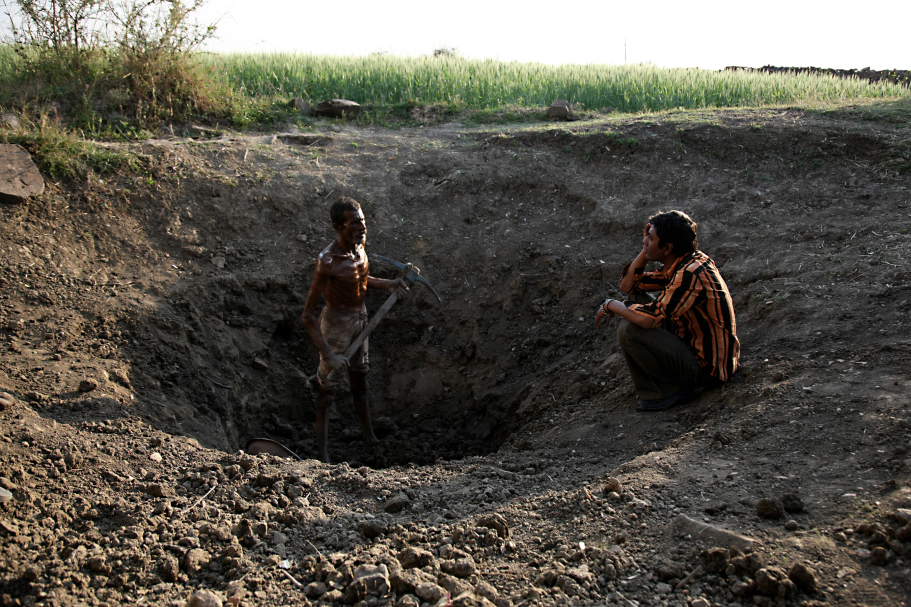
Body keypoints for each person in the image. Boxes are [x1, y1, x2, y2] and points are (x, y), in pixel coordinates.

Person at [595, 210, 739, 412]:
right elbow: (629, 286)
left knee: (629, 329)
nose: (645, 241)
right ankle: (667, 384)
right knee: (635, 300)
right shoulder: (685, 262)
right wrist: (647, 249)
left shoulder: (689, 274)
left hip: (707, 370)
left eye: (650, 238)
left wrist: (611, 305)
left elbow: (647, 321)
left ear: (668, 247)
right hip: (692, 344)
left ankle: (665, 391)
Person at [302, 197, 407, 463]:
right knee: (327, 392)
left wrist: (390, 284)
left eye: (363, 222)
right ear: (338, 226)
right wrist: (328, 354)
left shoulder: (360, 249)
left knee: (361, 383)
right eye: (355, 224)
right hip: (336, 325)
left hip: (361, 319)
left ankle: (370, 437)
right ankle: (323, 457)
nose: (362, 228)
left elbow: (360, 280)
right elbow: (308, 315)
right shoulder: (327, 261)